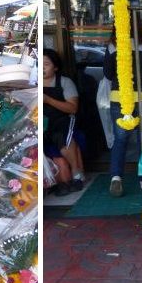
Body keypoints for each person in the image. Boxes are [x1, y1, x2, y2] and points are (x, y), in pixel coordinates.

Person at [102, 29, 142, 197]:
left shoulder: (114, 45)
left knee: (120, 139)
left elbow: (108, 74)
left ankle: (116, 178)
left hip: (120, 97)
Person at [42, 49, 85, 195]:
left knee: (63, 139)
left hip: (62, 119)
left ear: (55, 67)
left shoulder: (65, 82)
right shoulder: (33, 82)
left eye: (46, 64)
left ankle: (76, 173)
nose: (42, 67)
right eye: (40, 64)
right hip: (42, 122)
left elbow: (73, 108)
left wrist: (48, 100)